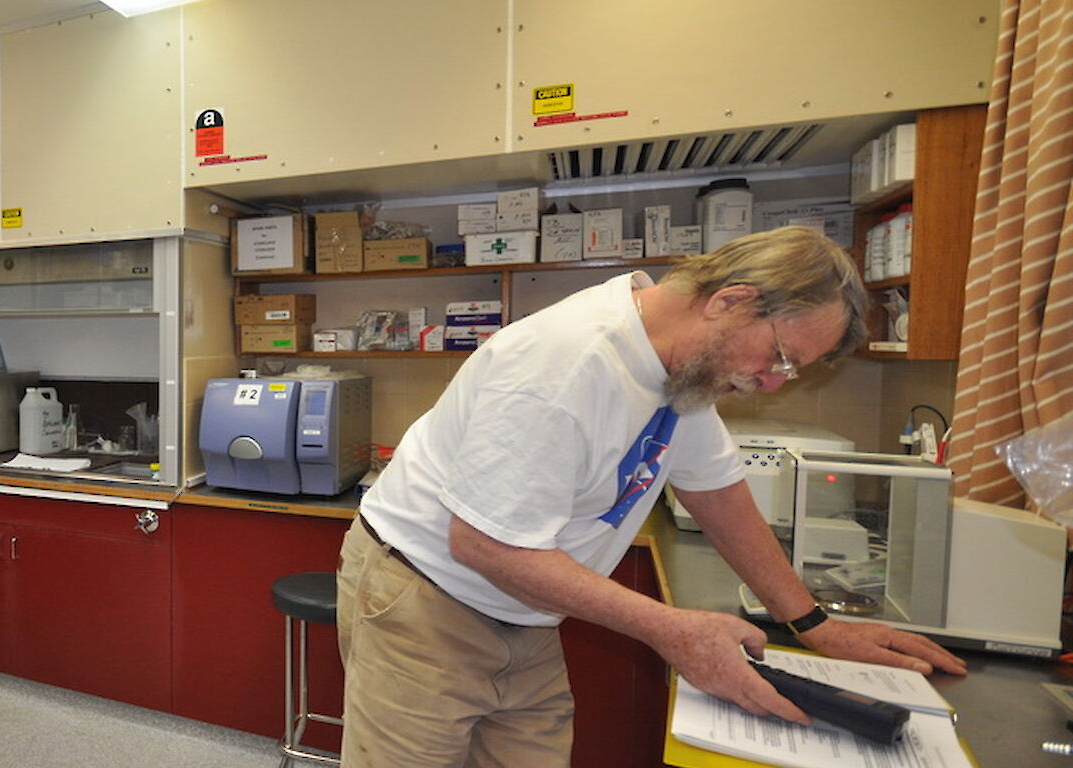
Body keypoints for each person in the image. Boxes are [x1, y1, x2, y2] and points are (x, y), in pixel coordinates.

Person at [335, 226, 967, 767]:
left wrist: (813, 626)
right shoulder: (564, 363)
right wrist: (674, 631)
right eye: (779, 356)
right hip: (424, 601)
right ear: (731, 301)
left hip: (526, 612)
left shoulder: (683, 367)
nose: (773, 383)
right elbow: (484, 543)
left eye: (792, 370)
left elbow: (718, 491)